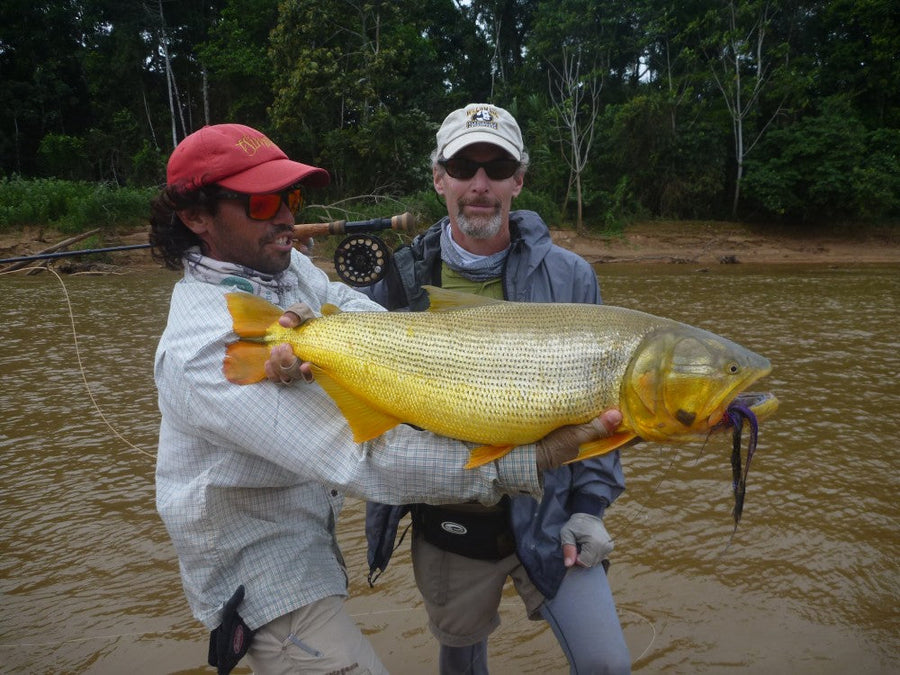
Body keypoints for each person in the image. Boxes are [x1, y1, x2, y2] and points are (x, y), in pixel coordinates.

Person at [149, 122, 622, 675]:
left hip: (314, 534)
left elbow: (361, 317)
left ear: (519, 180)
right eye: (261, 202)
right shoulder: (200, 351)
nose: (285, 217)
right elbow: (364, 456)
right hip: (259, 569)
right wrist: (536, 456)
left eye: (291, 198)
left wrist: (588, 503)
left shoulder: (286, 266)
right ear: (196, 217)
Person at [360, 104, 632, 674]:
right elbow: (354, 391)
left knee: (607, 664)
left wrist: (591, 510)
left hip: (551, 512)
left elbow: (611, 407)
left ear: (518, 180)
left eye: (497, 166)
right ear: (440, 179)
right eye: (464, 167)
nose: (479, 185)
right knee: (461, 665)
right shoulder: (399, 280)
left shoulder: (572, 277)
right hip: (448, 522)